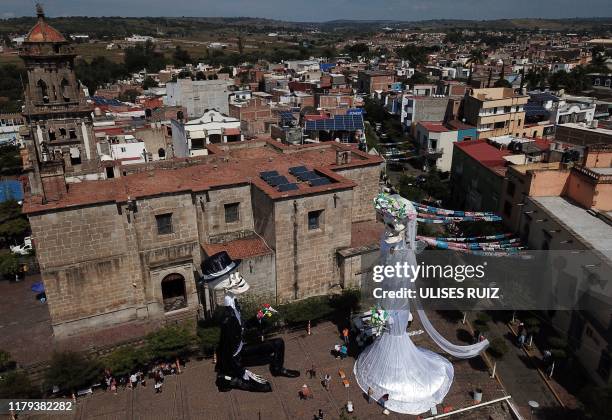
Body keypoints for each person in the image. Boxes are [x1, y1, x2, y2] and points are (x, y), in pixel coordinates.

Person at [203, 252, 300, 393]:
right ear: (220, 283)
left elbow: (243, 327)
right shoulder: (227, 319)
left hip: (242, 349)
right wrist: (242, 374)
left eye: (235, 272)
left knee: (278, 343)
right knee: (266, 387)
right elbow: (225, 353)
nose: (238, 277)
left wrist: (261, 314)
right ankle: (230, 380)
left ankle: (277, 369)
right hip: (237, 357)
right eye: (231, 275)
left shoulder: (233, 304)